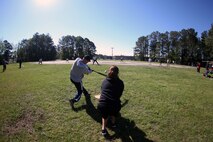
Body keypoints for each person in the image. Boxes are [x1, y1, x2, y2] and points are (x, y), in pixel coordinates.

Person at [97, 65, 124, 136]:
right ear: (117, 73)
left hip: (102, 105)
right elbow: (119, 94)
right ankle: (113, 124)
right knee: (113, 111)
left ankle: (103, 129)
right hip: (115, 105)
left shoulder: (104, 81)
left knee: (104, 116)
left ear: (109, 72)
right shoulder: (121, 82)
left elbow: (102, 91)